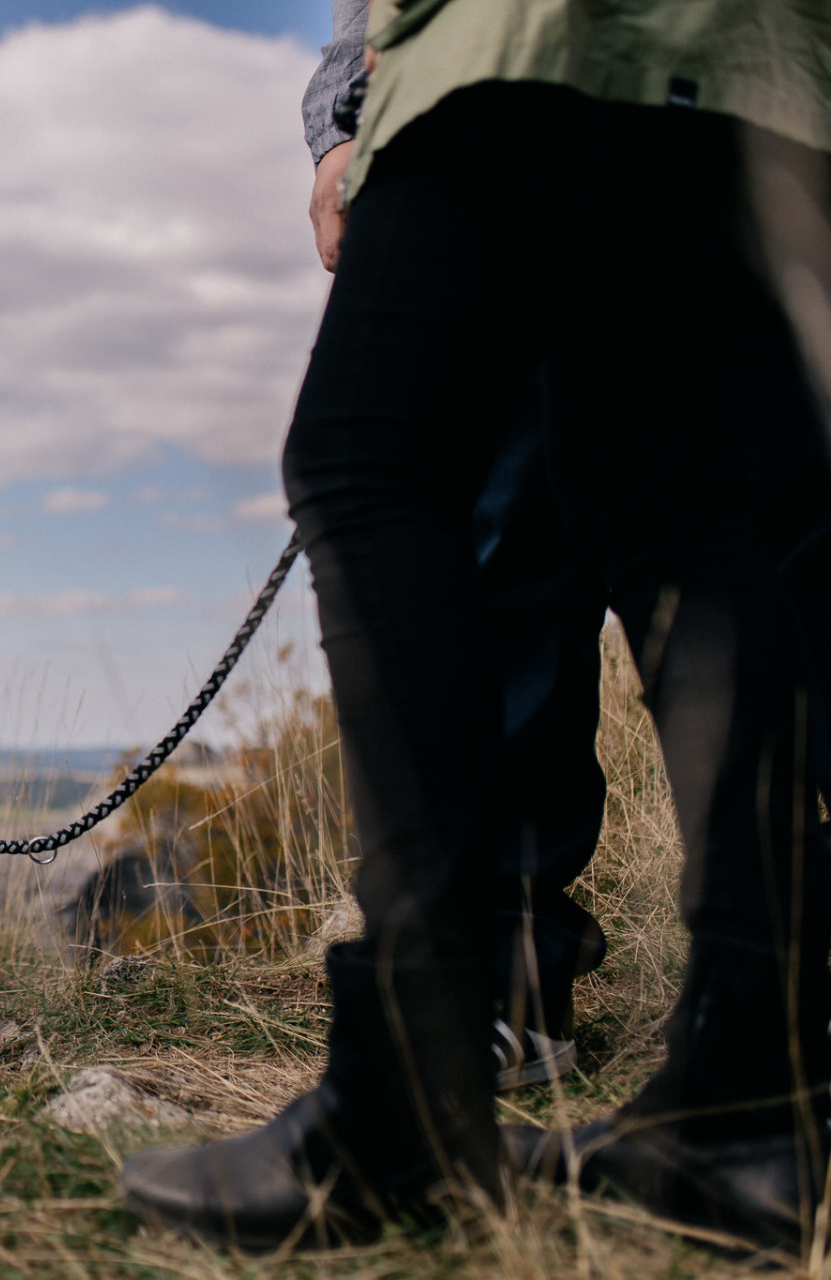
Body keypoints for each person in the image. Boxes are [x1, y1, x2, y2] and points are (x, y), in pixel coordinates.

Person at [121, 0, 831, 1254]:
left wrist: (352, 105)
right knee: (672, 505)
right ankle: (749, 1090)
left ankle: (413, 1090)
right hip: (739, 58)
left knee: (369, 457)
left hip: (532, 38)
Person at [306, 0, 610, 1093]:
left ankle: (498, 983)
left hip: (567, 102)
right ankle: (482, 980)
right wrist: (340, 127)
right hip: (451, 105)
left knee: (549, 537)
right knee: (494, 531)